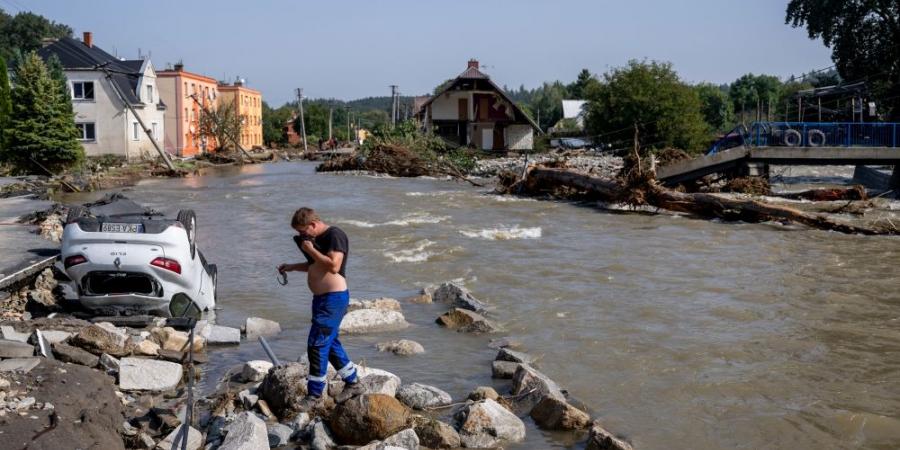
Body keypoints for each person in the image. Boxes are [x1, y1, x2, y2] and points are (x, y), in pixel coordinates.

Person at [278, 207, 364, 410]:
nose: (301, 236)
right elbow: (315, 265)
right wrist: (291, 266)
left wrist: (310, 249)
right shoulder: (314, 242)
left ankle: (314, 395)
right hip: (322, 300)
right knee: (330, 343)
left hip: (333, 300)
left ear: (313, 225)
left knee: (316, 344)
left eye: (303, 231)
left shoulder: (335, 235)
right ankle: (353, 383)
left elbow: (333, 265)